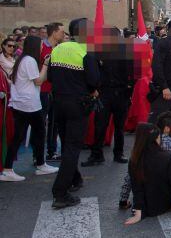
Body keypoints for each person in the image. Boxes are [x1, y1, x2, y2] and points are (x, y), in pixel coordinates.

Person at [49, 18, 100, 209]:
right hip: (78, 104)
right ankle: (60, 192)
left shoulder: (58, 49)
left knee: (66, 144)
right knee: (72, 147)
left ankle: (74, 178)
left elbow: (52, 77)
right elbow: (94, 80)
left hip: (59, 101)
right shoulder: (86, 51)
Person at [1, 36, 58, 182]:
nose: (41, 48)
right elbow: (38, 80)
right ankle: (38, 164)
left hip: (22, 103)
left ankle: (33, 164)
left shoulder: (23, 59)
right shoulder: (30, 61)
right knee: (37, 134)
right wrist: (45, 64)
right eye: (40, 45)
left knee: (25, 135)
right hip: (28, 104)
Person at [84, 30, 134, 166]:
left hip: (121, 92)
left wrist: (128, 92)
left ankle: (118, 153)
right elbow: (91, 71)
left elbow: (133, 73)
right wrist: (94, 89)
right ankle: (96, 154)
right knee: (100, 125)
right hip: (104, 93)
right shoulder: (97, 52)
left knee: (119, 126)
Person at [118, 111, 171, 210]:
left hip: (144, 198)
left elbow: (129, 178)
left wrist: (123, 200)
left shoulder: (138, 151)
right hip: (165, 197)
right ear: (167, 129)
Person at [125, 123, 171, 225]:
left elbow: (136, 188)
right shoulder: (167, 157)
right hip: (166, 203)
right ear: (156, 138)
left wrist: (138, 211)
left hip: (147, 206)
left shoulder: (134, 160)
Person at [41, 22, 64, 161]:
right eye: (61, 31)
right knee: (40, 122)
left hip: (56, 89)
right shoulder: (41, 46)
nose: (63, 34)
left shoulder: (60, 48)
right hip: (43, 89)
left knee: (54, 123)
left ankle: (51, 151)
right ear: (54, 32)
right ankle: (37, 155)